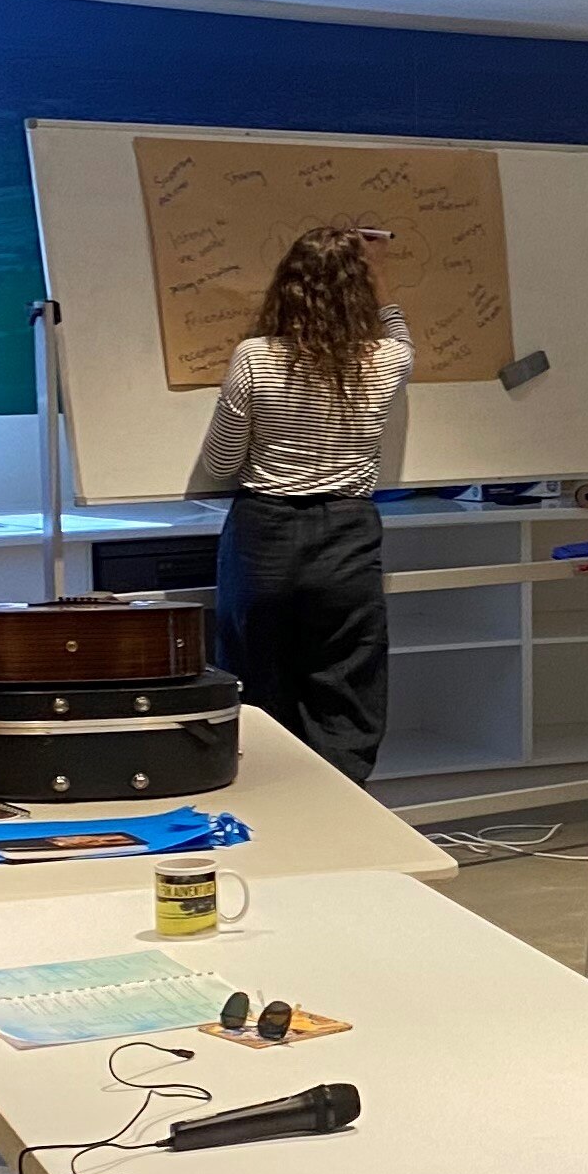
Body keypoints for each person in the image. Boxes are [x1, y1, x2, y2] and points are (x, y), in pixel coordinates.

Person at [187, 225, 410, 788]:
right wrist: (378, 280)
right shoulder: (387, 360)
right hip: (349, 533)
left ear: (284, 287)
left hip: (265, 533)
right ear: (361, 292)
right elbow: (400, 334)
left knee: (256, 684)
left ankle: (267, 815)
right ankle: (341, 812)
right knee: (347, 688)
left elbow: (219, 462)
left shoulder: (255, 358)